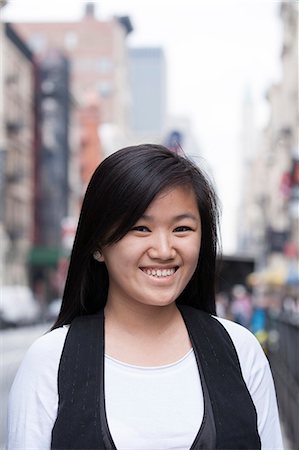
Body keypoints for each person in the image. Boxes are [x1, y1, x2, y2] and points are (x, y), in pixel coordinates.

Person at [7, 144, 283, 449]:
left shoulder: (241, 352)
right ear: (98, 243)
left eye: (181, 228)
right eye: (140, 228)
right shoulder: (50, 361)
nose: (164, 250)